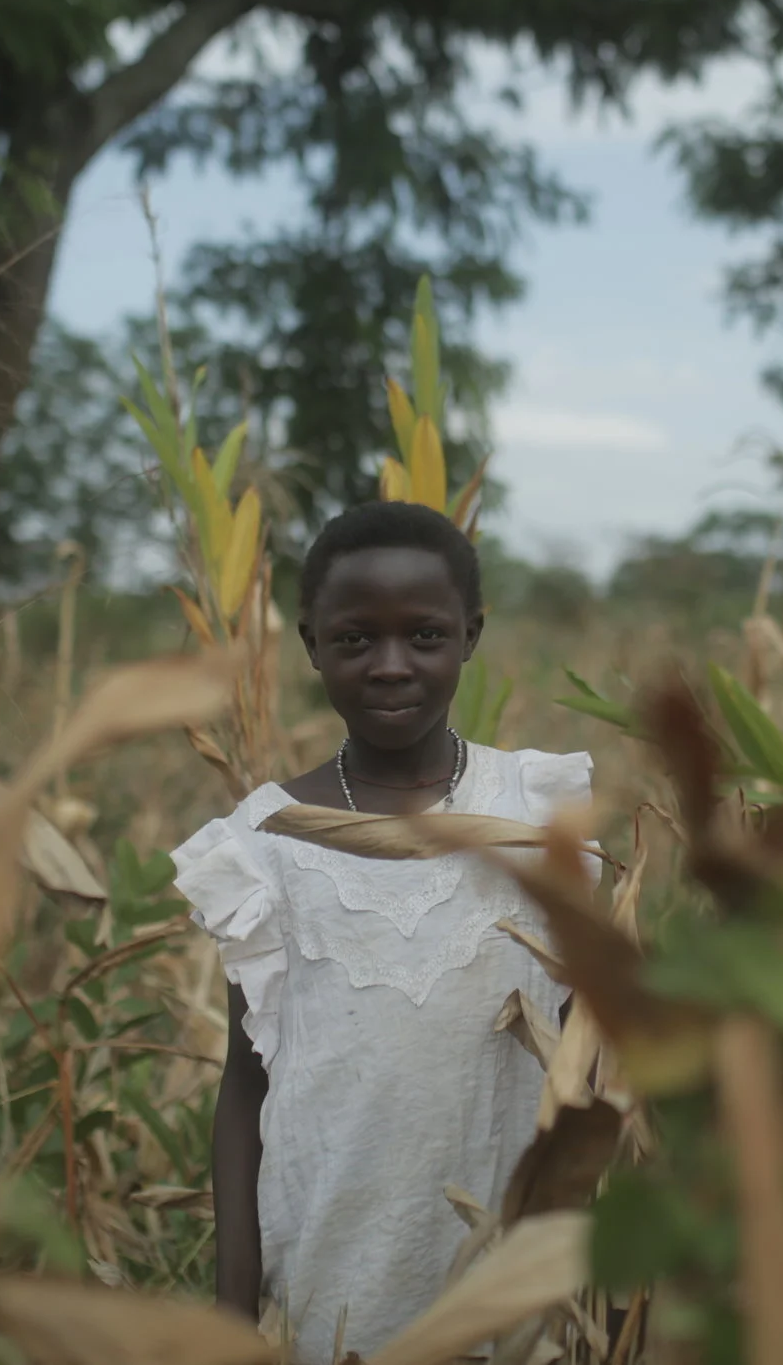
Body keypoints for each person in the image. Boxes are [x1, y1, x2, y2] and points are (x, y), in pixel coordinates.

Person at [169, 501, 592, 1362]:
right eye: (356, 640)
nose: (392, 666)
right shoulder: (265, 844)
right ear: (311, 643)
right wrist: (230, 1311)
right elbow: (245, 1089)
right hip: (335, 1286)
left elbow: (592, 1058)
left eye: (426, 637)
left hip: (512, 1283)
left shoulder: (537, 812)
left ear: (471, 635)